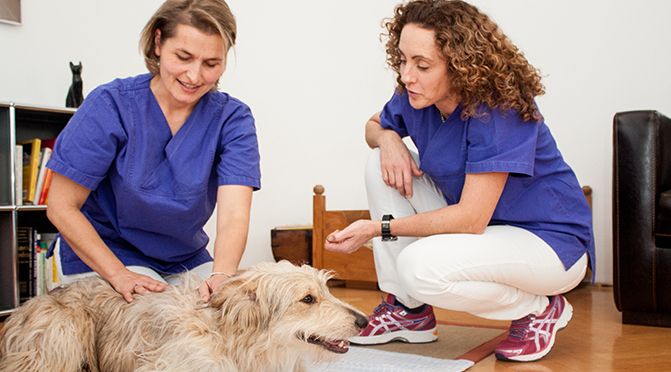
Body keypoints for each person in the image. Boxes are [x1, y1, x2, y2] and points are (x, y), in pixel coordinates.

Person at [324, 0, 594, 363]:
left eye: (422, 65)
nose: (407, 75)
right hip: (484, 231)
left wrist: (377, 229)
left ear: (462, 66)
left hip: (547, 243)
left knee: (418, 266)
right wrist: (389, 141)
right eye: (402, 60)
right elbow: (374, 126)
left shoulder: (499, 109)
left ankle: (538, 309)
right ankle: (408, 310)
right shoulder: (415, 97)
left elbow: (470, 219)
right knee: (379, 163)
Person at [45, 0, 260, 303]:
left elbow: (234, 214)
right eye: (183, 57)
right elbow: (61, 206)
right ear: (158, 42)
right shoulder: (111, 105)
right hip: (107, 253)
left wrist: (222, 276)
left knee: (236, 313)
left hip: (184, 257)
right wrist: (119, 275)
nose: (195, 76)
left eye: (211, 64)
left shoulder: (232, 119)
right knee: (157, 321)